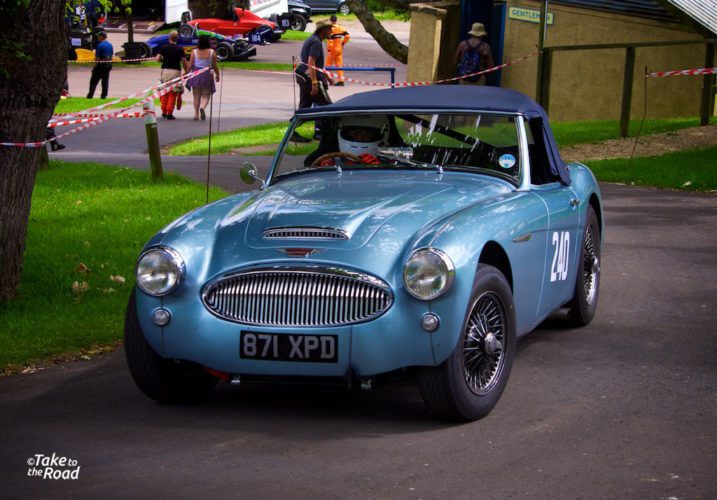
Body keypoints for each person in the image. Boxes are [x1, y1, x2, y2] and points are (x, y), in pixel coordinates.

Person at [295, 19, 334, 138]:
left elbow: (316, 64)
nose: (331, 31)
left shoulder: (313, 39)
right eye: (329, 29)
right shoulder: (316, 42)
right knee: (328, 108)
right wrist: (315, 82)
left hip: (303, 75)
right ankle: (324, 134)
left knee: (304, 109)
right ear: (322, 30)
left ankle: (292, 132)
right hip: (309, 78)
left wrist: (326, 74)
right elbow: (311, 62)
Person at [185, 35, 220, 121]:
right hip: (207, 75)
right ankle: (203, 107)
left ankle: (196, 114)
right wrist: (217, 75)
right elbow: (215, 66)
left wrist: (186, 74)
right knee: (206, 95)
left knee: (196, 95)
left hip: (195, 75)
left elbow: (190, 65)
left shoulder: (194, 52)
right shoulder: (212, 52)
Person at [156, 31, 187, 120]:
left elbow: (157, 59)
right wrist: (186, 71)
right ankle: (169, 112)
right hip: (175, 72)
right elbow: (184, 62)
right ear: (177, 39)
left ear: (169, 38)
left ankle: (163, 111)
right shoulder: (180, 49)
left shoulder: (164, 47)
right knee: (173, 93)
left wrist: (163, 60)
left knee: (164, 92)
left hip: (165, 71)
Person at [86, 31, 113, 98]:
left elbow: (97, 57)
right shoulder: (110, 45)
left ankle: (90, 95)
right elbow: (111, 54)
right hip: (108, 63)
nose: (97, 37)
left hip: (101, 63)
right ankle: (104, 95)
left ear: (102, 37)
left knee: (94, 80)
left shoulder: (99, 45)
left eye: (98, 36)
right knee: (105, 80)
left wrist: (95, 66)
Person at [326, 14, 350, 86]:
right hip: (339, 48)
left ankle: (329, 79)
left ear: (330, 20)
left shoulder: (330, 29)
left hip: (333, 49)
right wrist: (343, 43)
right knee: (339, 65)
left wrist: (329, 50)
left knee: (328, 65)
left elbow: (330, 40)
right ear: (336, 20)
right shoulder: (340, 28)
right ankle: (341, 80)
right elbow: (347, 36)